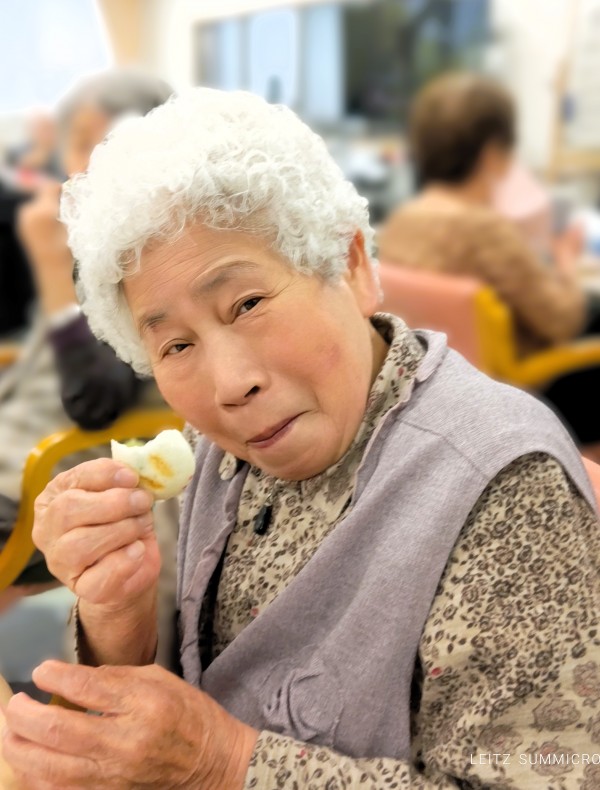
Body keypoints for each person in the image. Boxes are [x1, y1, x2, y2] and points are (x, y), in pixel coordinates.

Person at [2, 88, 599, 789]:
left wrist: (225, 763)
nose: (229, 385)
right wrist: (119, 616)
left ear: (351, 266)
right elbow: (156, 715)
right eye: (176, 345)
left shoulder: (507, 488)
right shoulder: (217, 454)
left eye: (248, 304)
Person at [0, 69, 177, 658]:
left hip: (38, 483)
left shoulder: (145, 257)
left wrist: (53, 271)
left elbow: (93, 401)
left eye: (98, 144)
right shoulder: (86, 240)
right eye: (77, 145)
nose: (79, 167)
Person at [377, 72, 600, 449]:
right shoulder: (484, 231)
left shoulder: (403, 222)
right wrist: (565, 261)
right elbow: (561, 320)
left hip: (435, 395)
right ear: (493, 153)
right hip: (521, 397)